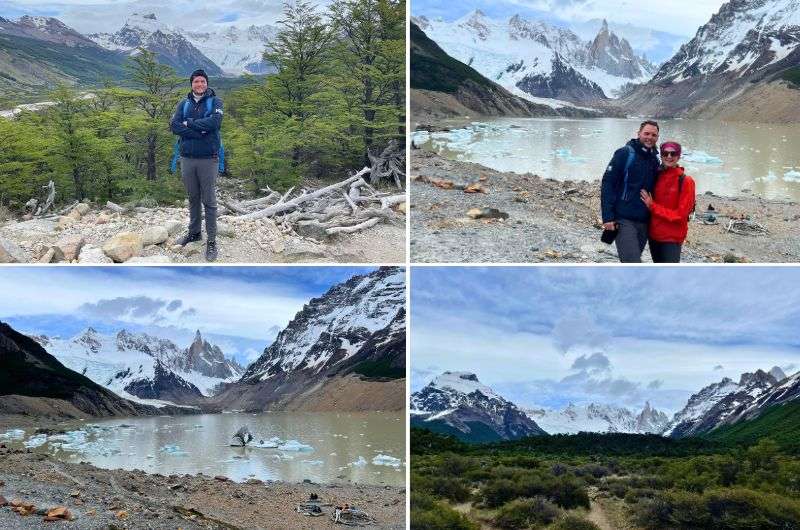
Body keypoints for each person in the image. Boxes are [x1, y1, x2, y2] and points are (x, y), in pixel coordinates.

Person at [170, 68, 224, 262]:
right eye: (196, 82)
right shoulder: (183, 104)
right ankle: (194, 233)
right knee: (193, 198)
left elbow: (215, 123)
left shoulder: (215, 102)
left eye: (202, 81)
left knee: (209, 201)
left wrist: (189, 124)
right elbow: (174, 126)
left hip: (208, 158)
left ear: (207, 83)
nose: (199, 85)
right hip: (187, 158)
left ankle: (211, 240)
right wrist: (198, 132)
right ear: (191, 84)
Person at [600, 120, 662, 262]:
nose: (650, 137)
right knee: (632, 261)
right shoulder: (625, 153)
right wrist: (608, 216)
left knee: (630, 260)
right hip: (623, 218)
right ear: (639, 133)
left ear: (657, 137)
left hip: (644, 221)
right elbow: (608, 183)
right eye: (646, 133)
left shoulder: (654, 160)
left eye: (654, 135)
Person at [640, 141, 695, 262]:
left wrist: (652, 206)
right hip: (654, 235)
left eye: (673, 153)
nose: (669, 157)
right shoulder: (657, 176)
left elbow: (680, 215)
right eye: (665, 153)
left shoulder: (686, 181)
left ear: (679, 156)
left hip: (672, 237)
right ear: (661, 155)